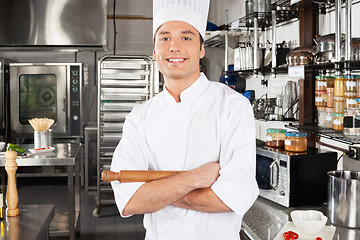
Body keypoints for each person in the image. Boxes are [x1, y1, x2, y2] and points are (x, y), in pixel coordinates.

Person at [110, 0, 259, 239]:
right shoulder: (141, 117)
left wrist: (156, 193)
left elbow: (231, 197)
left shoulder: (233, 106)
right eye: (165, 38)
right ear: (154, 51)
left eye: (186, 38)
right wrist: (196, 178)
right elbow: (130, 201)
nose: (174, 47)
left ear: (201, 49)